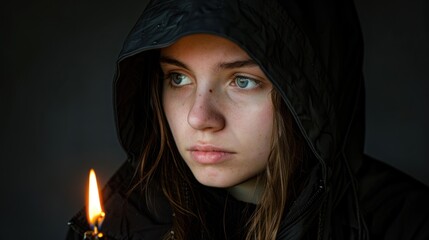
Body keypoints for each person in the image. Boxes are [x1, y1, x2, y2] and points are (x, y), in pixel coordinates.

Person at [66, 0, 429, 239]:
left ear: (312, 97)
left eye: (243, 81)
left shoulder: (405, 225)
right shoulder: (120, 221)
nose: (199, 118)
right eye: (178, 78)